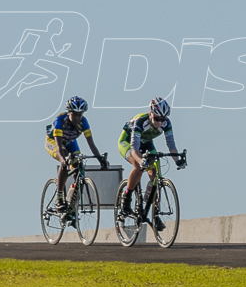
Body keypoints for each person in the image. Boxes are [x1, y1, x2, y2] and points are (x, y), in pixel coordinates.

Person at [118, 97, 186, 231]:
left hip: (147, 144)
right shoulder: (140, 121)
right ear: (151, 114)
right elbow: (134, 149)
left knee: (155, 173)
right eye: (157, 119)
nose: (160, 122)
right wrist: (141, 160)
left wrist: (178, 160)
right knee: (138, 167)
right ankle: (127, 197)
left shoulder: (166, 124)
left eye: (163, 119)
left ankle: (155, 213)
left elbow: (171, 145)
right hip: (127, 143)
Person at [44, 96, 106, 215]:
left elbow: (91, 144)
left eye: (80, 114)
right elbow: (58, 145)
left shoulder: (84, 122)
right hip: (54, 142)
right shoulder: (60, 120)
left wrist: (100, 159)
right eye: (75, 115)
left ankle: (72, 205)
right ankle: (59, 196)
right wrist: (63, 160)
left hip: (71, 142)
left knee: (78, 170)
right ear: (69, 113)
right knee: (66, 160)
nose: (77, 118)